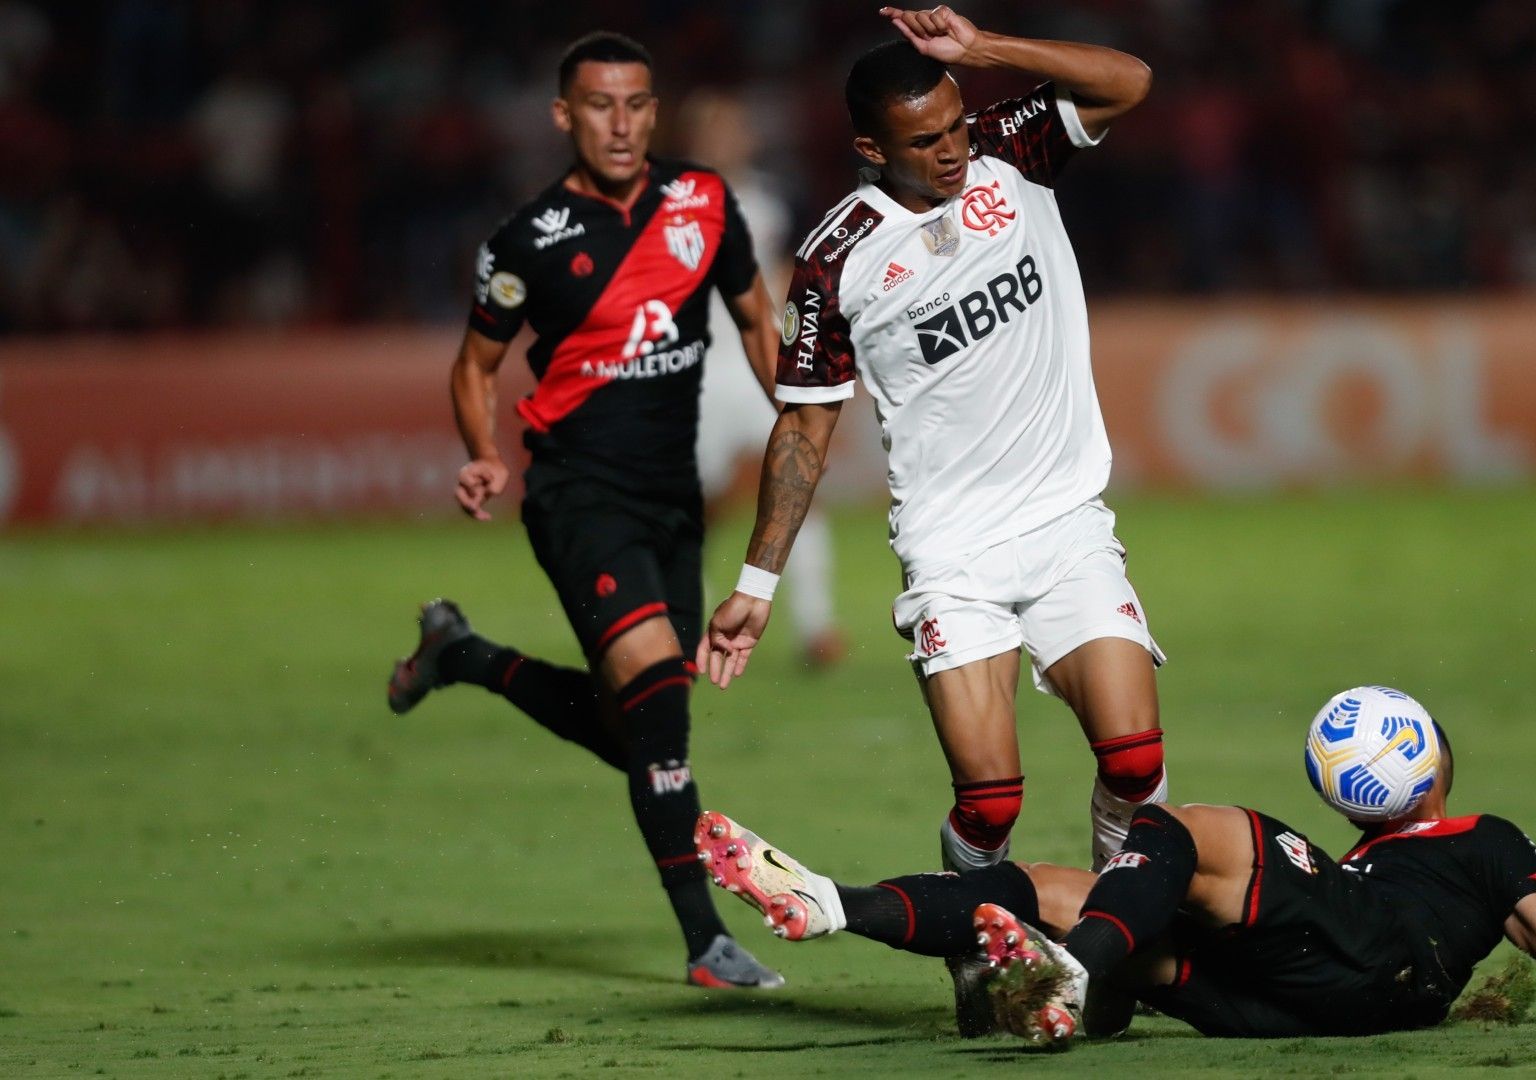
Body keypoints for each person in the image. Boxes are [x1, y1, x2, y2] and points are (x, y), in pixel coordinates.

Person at [702, 7, 1165, 877]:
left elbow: (1129, 81)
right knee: (990, 808)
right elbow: (804, 425)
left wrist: (984, 49)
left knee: (1137, 763)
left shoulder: (1010, 151)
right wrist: (757, 585)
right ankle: (976, 945)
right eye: (924, 141)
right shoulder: (837, 260)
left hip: (1065, 522)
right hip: (953, 551)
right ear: (872, 149)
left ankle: (1123, 924)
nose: (951, 151)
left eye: (955, 125)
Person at [384, 31, 783, 988]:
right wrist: (483, 453)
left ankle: (462, 655)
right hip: (576, 496)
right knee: (658, 715)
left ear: (656, 110)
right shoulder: (528, 241)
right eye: (599, 106)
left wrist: (798, 416)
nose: (620, 123)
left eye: (637, 105)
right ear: (564, 116)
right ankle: (706, 945)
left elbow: (759, 319)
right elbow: (476, 363)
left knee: (638, 727)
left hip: (671, 501)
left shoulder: (704, 202)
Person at [692, 689, 1536, 1042]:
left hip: (1377, 963)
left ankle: (1077, 970)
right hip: (1302, 1002)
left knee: (1193, 829)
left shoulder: (1475, 843)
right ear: (1431, 758)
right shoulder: (1436, 854)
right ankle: (833, 903)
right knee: (1063, 890)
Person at [681, 89, 849, 668]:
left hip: (762, 361)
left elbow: (786, 279)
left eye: (735, 131)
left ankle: (816, 626)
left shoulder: (770, 201)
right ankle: (686, 627)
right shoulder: (668, 204)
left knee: (799, 487)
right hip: (698, 372)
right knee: (696, 505)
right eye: (716, 132)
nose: (728, 142)